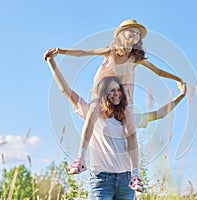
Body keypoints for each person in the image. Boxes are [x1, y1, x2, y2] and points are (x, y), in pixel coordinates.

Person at [44, 19, 184, 192]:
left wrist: (178, 80)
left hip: (124, 99)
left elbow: (158, 72)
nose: (135, 34)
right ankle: (80, 159)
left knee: (131, 131)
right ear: (120, 34)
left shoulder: (135, 58)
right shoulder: (109, 52)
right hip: (102, 93)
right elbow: (83, 53)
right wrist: (61, 52)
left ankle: (135, 176)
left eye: (138, 33)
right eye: (131, 31)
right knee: (93, 112)